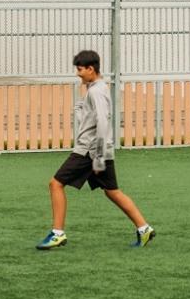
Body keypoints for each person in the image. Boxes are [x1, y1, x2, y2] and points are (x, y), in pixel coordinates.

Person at [36, 50, 155, 250]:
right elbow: (95, 119)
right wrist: (81, 110)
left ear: (91, 69)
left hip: (89, 151)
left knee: (55, 184)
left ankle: (57, 233)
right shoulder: (95, 89)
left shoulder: (97, 91)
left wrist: (98, 157)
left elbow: (102, 122)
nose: (78, 73)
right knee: (112, 191)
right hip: (99, 149)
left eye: (80, 69)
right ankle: (144, 228)